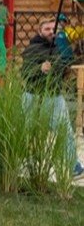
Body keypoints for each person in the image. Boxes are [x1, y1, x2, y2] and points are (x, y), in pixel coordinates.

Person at [21, 16, 83, 178]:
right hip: (32, 96)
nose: (50, 32)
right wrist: (40, 68)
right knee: (26, 131)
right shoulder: (32, 49)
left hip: (54, 96)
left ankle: (72, 167)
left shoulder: (58, 47)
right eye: (47, 29)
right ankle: (23, 165)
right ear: (39, 30)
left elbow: (65, 65)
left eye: (52, 29)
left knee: (64, 130)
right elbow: (25, 73)